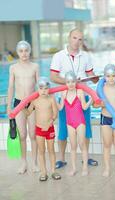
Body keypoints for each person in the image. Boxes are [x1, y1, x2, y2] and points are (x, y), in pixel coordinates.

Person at [50, 28, 99, 168]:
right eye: (74, 38)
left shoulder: (86, 56)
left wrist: (96, 78)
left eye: (80, 39)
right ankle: (61, 159)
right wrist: (70, 82)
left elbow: (91, 74)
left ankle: (86, 157)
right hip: (65, 98)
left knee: (86, 128)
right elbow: (53, 77)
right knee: (63, 130)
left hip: (82, 97)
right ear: (68, 37)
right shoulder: (58, 56)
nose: (77, 42)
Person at [7, 41, 39, 174]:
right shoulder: (13, 68)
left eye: (26, 50)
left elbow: (39, 86)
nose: (24, 53)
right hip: (18, 103)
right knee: (22, 135)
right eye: (21, 51)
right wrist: (9, 107)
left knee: (32, 134)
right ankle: (23, 162)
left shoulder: (35, 66)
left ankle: (35, 162)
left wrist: (36, 104)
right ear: (18, 53)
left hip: (32, 102)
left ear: (29, 51)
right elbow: (11, 87)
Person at [24, 77, 61, 181]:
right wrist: (22, 107)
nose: (44, 91)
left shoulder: (51, 99)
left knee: (51, 150)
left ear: (49, 89)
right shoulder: (35, 101)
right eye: (41, 88)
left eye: (46, 88)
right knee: (41, 151)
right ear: (37, 89)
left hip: (49, 129)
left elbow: (55, 114)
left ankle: (53, 171)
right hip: (39, 130)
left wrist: (49, 123)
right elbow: (28, 113)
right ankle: (43, 172)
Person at [57, 71, 93, 176]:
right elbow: (60, 108)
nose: (71, 84)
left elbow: (84, 107)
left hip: (80, 122)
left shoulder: (80, 92)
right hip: (69, 123)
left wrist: (92, 98)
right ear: (65, 83)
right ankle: (73, 168)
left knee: (82, 145)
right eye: (68, 82)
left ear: (76, 81)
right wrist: (53, 99)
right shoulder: (64, 93)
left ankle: (85, 167)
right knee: (73, 146)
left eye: (73, 81)